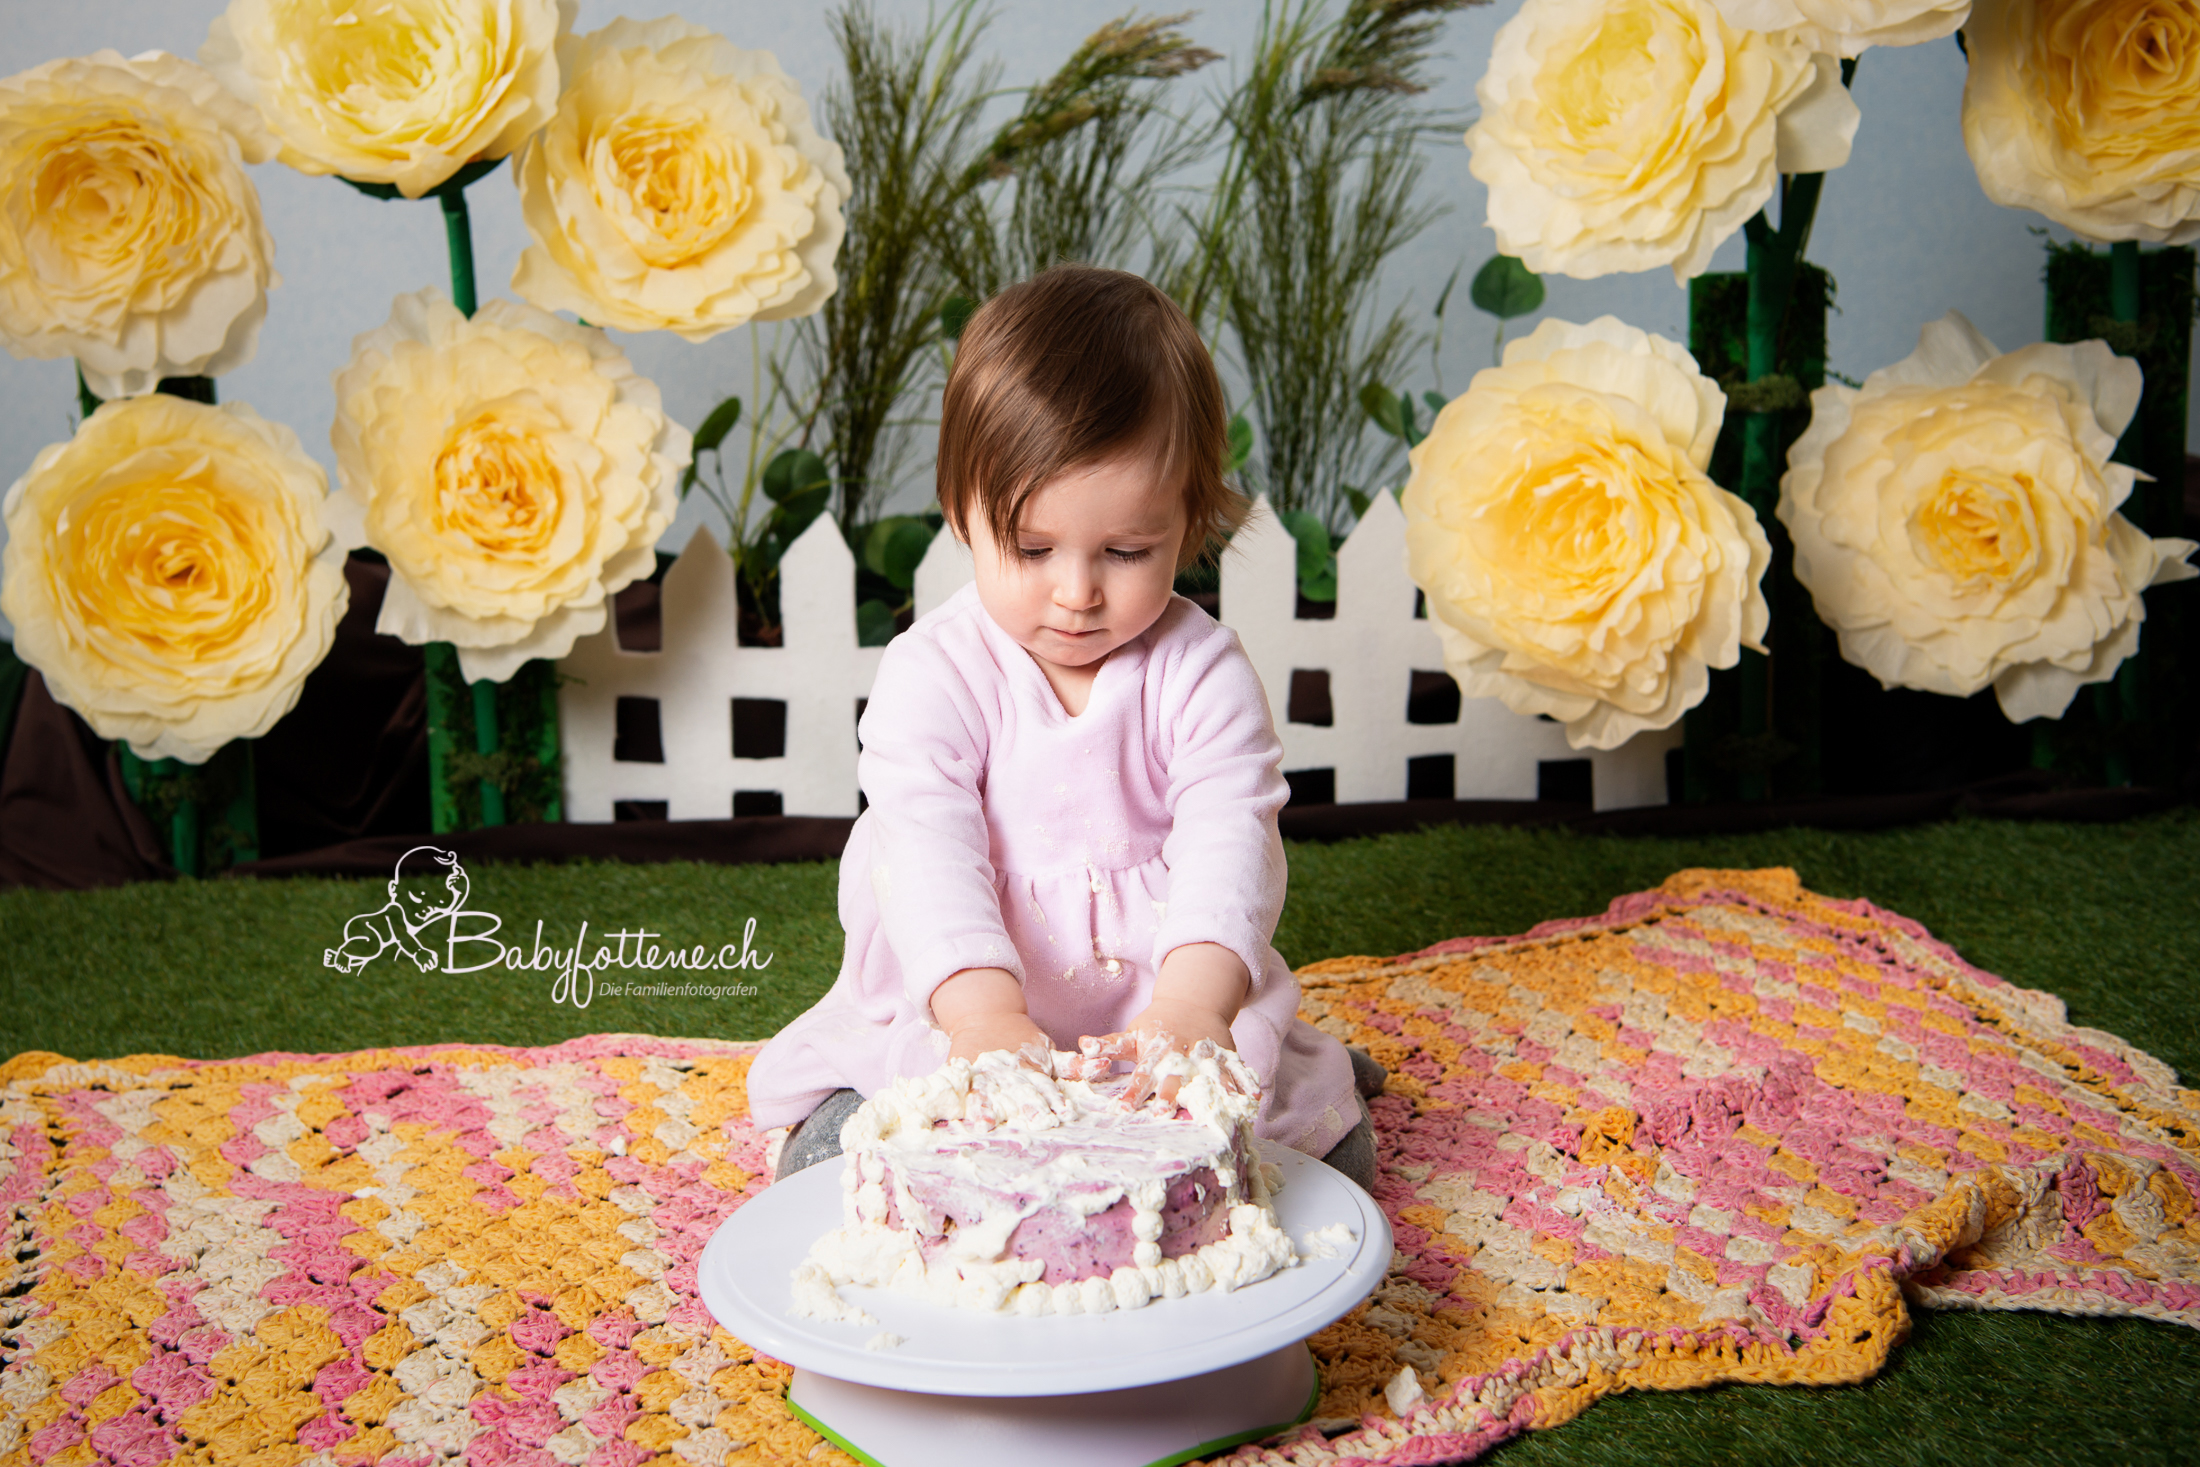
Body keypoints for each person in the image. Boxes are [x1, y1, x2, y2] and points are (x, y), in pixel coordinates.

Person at [744, 264, 1377, 1188]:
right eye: (1033, 549)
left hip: (1154, 988)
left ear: (1188, 522)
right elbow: (925, 857)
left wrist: (1193, 1010)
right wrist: (983, 1020)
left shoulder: (1199, 670)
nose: (1077, 592)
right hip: (968, 988)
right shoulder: (935, 673)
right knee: (894, 1129)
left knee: (1313, 1153)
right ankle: (867, 1105)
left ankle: (1296, 1071)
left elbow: (1229, 843)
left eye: (1127, 551)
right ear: (962, 511)